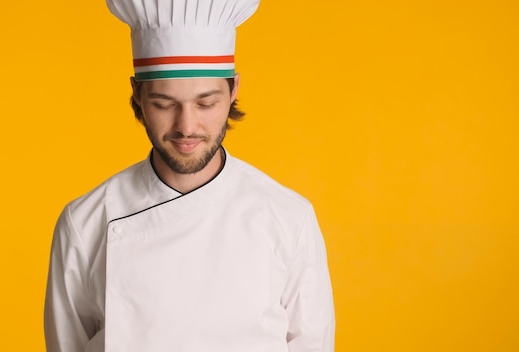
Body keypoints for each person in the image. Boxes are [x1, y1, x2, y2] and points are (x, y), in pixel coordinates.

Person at [44, 0, 335, 351]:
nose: (186, 127)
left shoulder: (289, 217)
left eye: (205, 103)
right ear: (137, 95)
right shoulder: (85, 222)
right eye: (165, 104)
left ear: (233, 91)